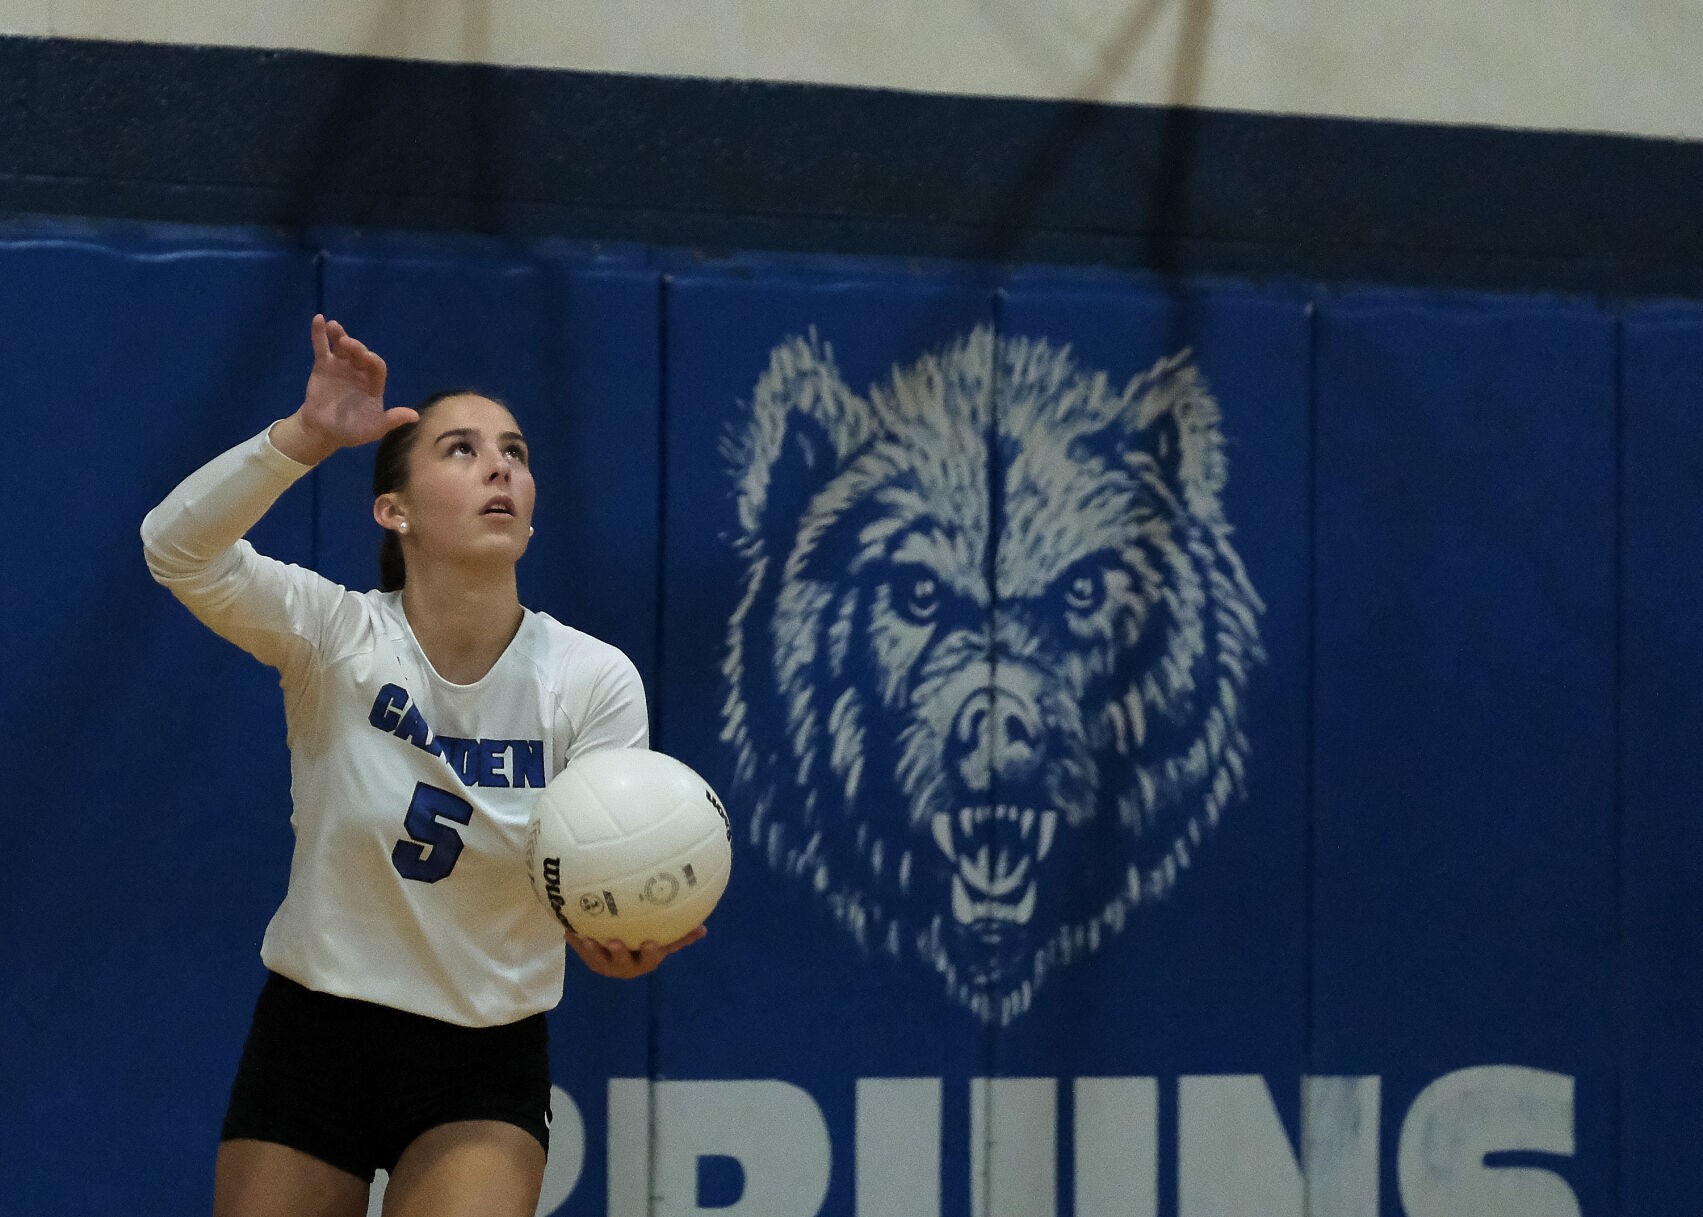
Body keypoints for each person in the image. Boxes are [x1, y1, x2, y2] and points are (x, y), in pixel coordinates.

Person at [141, 315, 704, 1217]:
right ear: (392, 508)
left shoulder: (591, 679)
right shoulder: (336, 637)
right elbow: (174, 546)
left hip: (483, 1056)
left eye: (514, 452)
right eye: (461, 448)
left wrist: (620, 923)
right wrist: (304, 438)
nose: (501, 468)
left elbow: (602, 860)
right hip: (315, 1032)